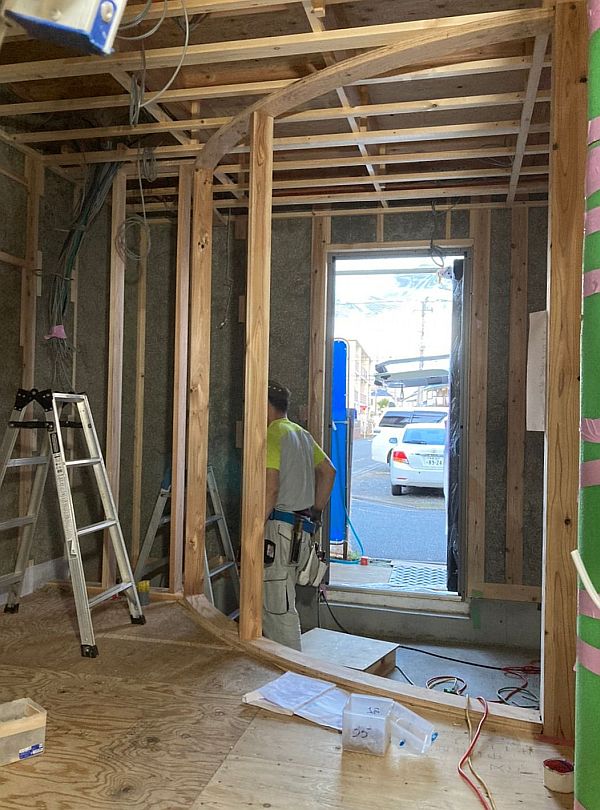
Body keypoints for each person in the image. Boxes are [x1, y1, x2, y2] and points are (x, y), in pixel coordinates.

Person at [263, 380, 336, 650]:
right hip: (300, 531)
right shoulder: (301, 434)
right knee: (282, 597)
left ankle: (291, 669)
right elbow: (328, 471)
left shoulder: (273, 434)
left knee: (278, 608)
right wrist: (315, 512)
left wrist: (253, 530)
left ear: (265, 405)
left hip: (279, 532)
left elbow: (270, 489)